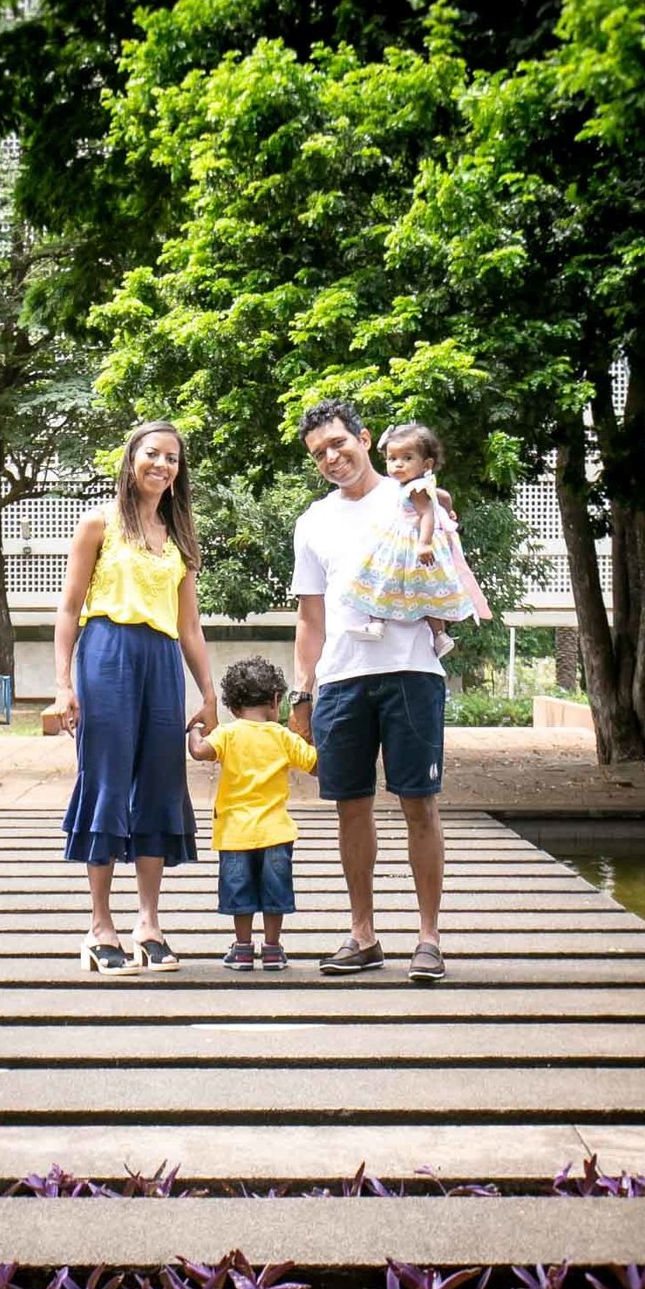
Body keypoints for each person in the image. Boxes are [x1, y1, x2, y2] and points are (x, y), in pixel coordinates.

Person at [287, 399, 449, 983]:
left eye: (339, 444)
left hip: (412, 670)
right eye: (319, 454)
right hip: (340, 679)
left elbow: (446, 569)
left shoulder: (412, 496)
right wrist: (302, 694)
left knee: (418, 804)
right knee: (350, 807)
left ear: (364, 437)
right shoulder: (313, 521)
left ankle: (428, 939)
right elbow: (310, 615)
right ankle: (363, 935)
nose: (331, 458)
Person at [53, 421, 217, 972]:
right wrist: (63, 685)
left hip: (163, 661)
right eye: (153, 453)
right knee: (106, 780)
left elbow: (190, 626)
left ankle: (149, 922)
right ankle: (99, 926)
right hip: (108, 654)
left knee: (161, 783)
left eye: (172, 458)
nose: (162, 465)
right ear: (131, 459)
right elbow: (69, 608)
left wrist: (208, 694)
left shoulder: (180, 536)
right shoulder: (98, 523)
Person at [188, 655, 318, 972]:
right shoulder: (283, 737)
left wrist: (194, 731)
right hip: (276, 833)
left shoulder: (228, 734)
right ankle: (272, 949)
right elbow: (317, 766)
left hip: (235, 834)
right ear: (275, 700)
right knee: (275, 894)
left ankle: (243, 949)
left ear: (233, 707)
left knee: (240, 894)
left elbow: (199, 752)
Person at [342, 422, 492, 657]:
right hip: (414, 543)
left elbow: (426, 513)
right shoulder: (420, 484)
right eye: (392, 458)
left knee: (381, 577)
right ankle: (440, 635)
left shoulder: (416, 488)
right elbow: (443, 496)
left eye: (407, 458)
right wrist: (448, 511)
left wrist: (423, 543)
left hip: (408, 544)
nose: (398, 464)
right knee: (427, 592)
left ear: (426, 464)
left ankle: (377, 622)